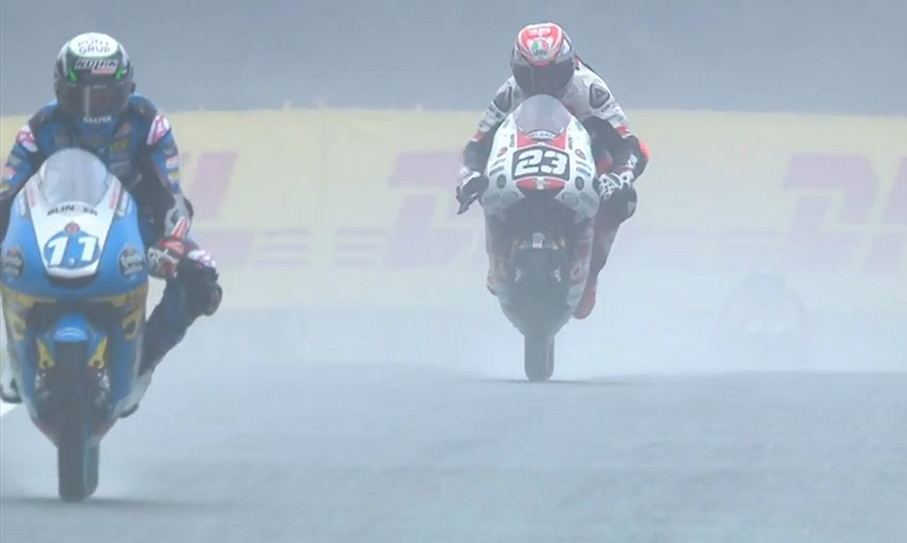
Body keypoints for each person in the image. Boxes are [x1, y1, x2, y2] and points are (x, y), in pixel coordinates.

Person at [0, 32, 222, 416]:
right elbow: (7, 195)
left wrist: (172, 241)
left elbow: (171, 195)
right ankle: (18, 351)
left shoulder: (149, 123)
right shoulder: (39, 128)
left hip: (132, 223)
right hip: (52, 223)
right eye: (84, 95)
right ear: (61, 90)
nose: (94, 108)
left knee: (202, 279)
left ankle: (143, 362)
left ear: (127, 89)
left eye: (106, 95)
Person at [455, 22, 650, 319]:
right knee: (486, 182)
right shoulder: (510, 93)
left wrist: (618, 176)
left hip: (584, 161)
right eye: (532, 76)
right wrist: (468, 176)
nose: (543, 85)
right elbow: (477, 146)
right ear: (517, 71)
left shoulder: (589, 90)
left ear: (569, 66)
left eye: (553, 74)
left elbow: (632, 146)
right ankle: (498, 259)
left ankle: (591, 272)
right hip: (521, 161)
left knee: (622, 198)